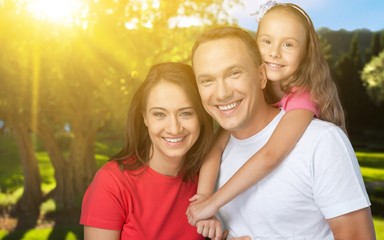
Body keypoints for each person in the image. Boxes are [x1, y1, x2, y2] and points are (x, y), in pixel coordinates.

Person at [189, 24, 376, 239]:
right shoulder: (212, 159)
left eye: (234, 73)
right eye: (207, 80)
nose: (221, 93)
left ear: (261, 76)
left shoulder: (321, 141)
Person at [80, 62, 223, 240]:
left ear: (201, 116)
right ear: (145, 117)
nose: (174, 128)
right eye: (159, 114)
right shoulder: (111, 183)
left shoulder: (208, 178)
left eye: (185, 113)